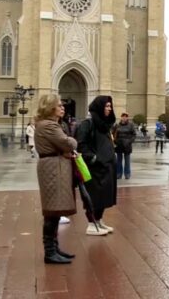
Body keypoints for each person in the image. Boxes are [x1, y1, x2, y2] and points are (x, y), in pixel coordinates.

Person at [33, 95, 77, 264]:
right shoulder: (49, 125)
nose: (63, 107)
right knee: (52, 211)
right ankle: (50, 252)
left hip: (54, 166)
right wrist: (71, 143)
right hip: (52, 169)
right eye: (59, 105)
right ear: (50, 108)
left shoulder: (49, 124)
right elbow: (68, 143)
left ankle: (54, 248)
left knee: (55, 210)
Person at [76, 96, 117, 236]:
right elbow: (81, 144)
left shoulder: (105, 125)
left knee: (104, 196)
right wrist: (93, 159)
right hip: (95, 168)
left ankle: (98, 220)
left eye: (110, 106)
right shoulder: (88, 124)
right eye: (106, 106)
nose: (109, 109)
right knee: (94, 196)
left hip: (106, 167)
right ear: (99, 107)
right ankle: (91, 223)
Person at [113, 112, 137, 179]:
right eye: (123, 116)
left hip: (127, 145)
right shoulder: (117, 125)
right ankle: (118, 173)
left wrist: (129, 141)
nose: (124, 117)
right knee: (118, 160)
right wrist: (116, 141)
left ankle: (127, 174)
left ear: (127, 117)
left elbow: (134, 135)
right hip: (119, 144)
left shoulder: (131, 125)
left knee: (127, 161)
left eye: (126, 116)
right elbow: (113, 134)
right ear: (121, 117)